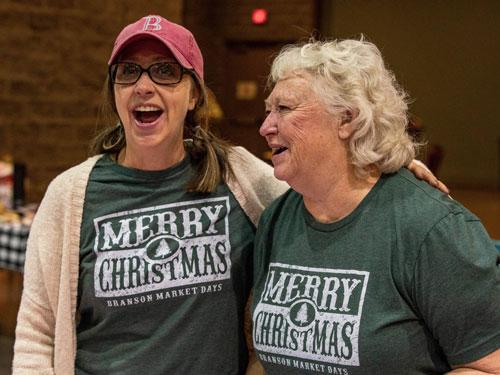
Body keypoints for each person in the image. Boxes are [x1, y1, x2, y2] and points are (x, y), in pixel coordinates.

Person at [12, 15, 444, 374]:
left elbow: (329, 187)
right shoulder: (70, 194)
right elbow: (37, 332)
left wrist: (381, 167)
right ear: (115, 91)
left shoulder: (239, 175)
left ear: (194, 93)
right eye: (129, 72)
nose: (144, 86)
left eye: (165, 71)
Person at [252, 38, 500, 374]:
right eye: (269, 110)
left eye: (283, 109)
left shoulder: (432, 228)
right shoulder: (277, 220)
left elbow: (489, 366)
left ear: (347, 119)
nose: (266, 126)